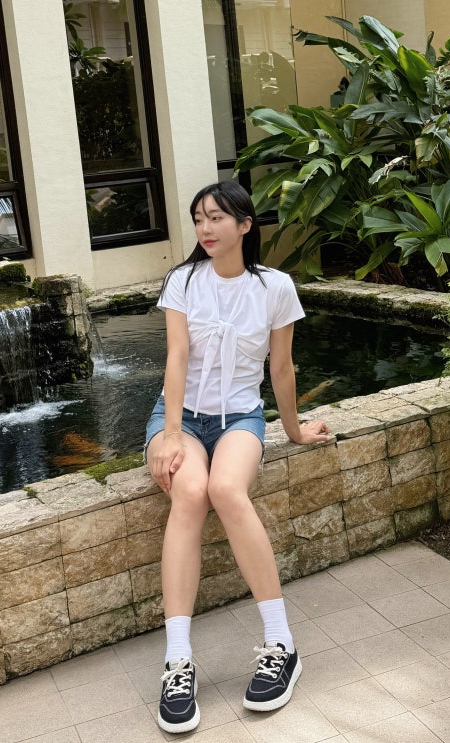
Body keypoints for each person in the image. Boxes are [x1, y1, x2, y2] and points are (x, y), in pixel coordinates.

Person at [144, 180, 331, 734]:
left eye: (216, 218)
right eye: (198, 218)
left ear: (245, 225)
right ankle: (178, 661)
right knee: (190, 492)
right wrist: (170, 435)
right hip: (178, 418)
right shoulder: (182, 280)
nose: (205, 228)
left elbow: (282, 368)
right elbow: (177, 357)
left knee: (226, 489)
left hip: (240, 419)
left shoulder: (275, 287)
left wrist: (294, 431)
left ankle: (281, 644)